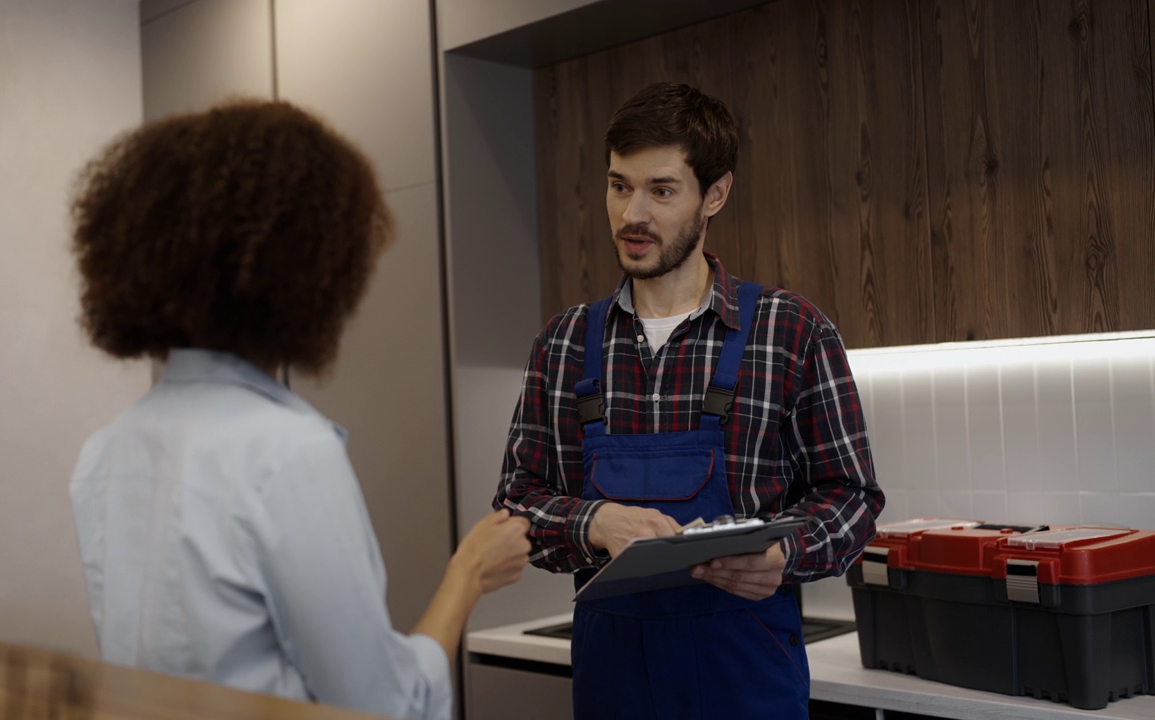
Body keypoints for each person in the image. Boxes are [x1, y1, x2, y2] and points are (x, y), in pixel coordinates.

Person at [67, 99, 531, 720]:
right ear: (313, 268)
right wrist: (467, 576)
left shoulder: (105, 452)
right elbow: (382, 707)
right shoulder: (285, 452)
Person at [495, 82, 885, 719]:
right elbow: (516, 505)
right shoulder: (563, 344)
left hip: (746, 678)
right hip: (612, 687)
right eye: (620, 186)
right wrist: (594, 523)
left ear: (716, 195)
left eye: (662, 190)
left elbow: (852, 496)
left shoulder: (792, 332)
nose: (632, 215)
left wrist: (786, 554)